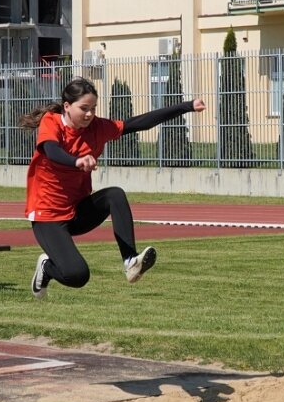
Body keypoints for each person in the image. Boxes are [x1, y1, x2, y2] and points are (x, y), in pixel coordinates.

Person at [20, 77, 206, 299]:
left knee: (114, 195)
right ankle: (46, 268)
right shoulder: (52, 122)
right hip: (47, 216)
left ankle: (130, 261)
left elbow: (140, 122)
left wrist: (187, 106)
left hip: (77, 211)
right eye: (84, 108)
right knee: (78, 276)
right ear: (67, 107)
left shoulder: (98, 127)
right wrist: (75, 161)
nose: (89, 114)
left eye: (93, 108)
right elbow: (51, 150)